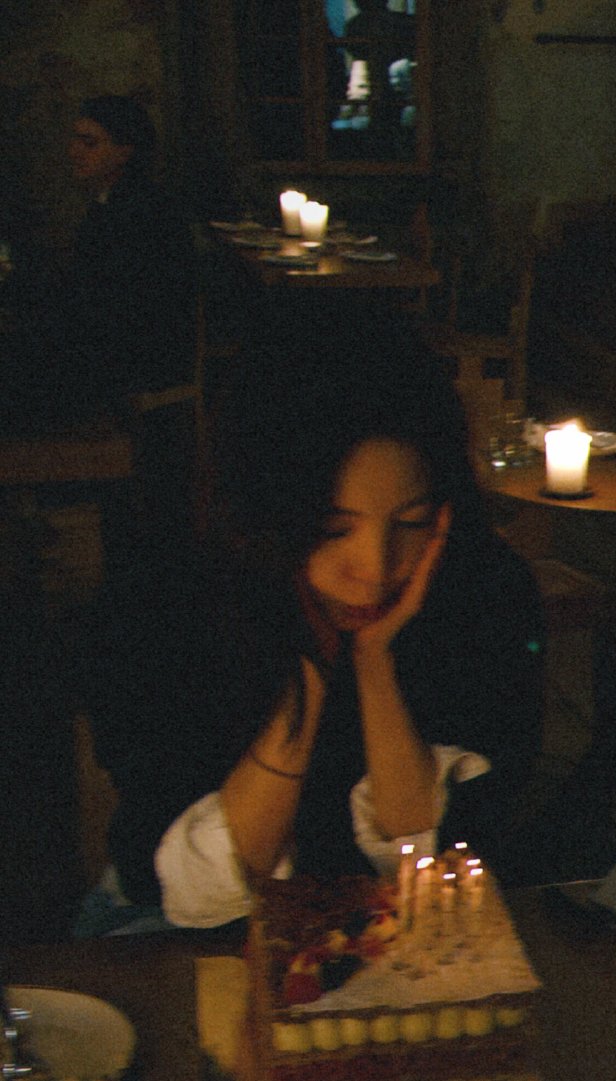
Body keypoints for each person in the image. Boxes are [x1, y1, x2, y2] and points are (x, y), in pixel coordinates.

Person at [77, 309, 545, 933]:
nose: (375, 569)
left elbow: (433, 860)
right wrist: (309, 676)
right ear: (263, 516)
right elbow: (196, 898)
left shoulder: (483, 594)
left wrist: (375, 665)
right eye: (331, 529)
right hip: (174, 929)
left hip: (395, 930)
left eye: (410, 523)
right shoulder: (166, 605)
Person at [2, 95, 195, 430]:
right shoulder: (113, 202)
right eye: (75, 139)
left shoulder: (139, 211)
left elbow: (113, 305)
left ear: (124, 151)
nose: (74, 151)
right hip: (109, 342)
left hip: (133, 357)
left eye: (89, 143)